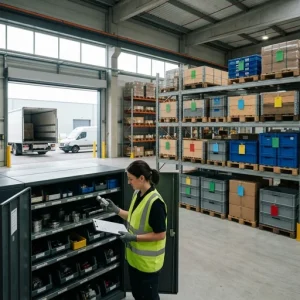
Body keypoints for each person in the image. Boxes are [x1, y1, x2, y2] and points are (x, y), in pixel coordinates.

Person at [98, 160, 167, 300]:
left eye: (131, 179)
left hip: (148, 265)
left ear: (142, 178)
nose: (128, 182)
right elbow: (134, 216)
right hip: (135, 260)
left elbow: (160, 234)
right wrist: (116, 210)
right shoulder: (138, 193)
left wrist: (134, 238)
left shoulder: (156, 203)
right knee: (138, 295)